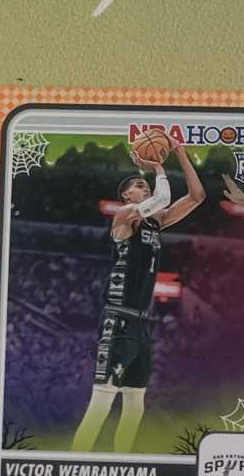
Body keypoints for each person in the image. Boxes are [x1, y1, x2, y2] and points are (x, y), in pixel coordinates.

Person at [67, 141, 205, 454]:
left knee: (135, 404)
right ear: (127, 196)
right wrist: (157, 166)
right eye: (137, 185)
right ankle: (74, 461)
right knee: (102, 401)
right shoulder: (124, 216)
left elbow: (197, 196)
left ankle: (121, 461)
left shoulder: (157, 221)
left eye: (144, 183)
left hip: (142, 323)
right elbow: (163, 198)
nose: (143, 186)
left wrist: (180, 153)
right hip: (118, 319)